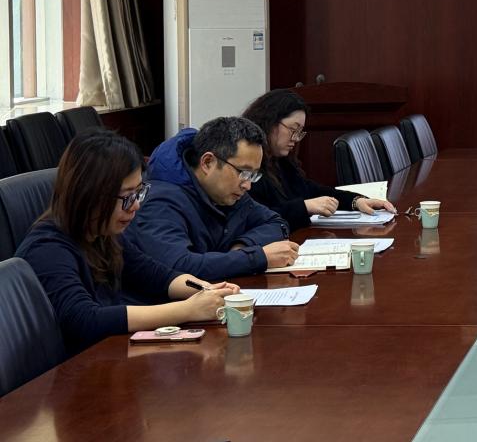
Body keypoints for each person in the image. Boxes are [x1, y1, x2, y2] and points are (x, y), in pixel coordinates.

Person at [16, 131, 239, 356]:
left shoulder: (101, 232)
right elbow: (84, 320)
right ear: (90, 195)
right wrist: (187, 310)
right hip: (74, 366)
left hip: (105, 355)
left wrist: (208, 291)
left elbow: (154, 275)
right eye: (127, 197)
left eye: (139, 193)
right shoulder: (47, 248)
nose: (135, 206)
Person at [127, 116, 298, 281]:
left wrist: (242, 247)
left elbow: (276, 223)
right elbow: (179, 267)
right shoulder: (161, 202)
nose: (247, 185)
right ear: (207, 162)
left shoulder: (229, 193)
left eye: (253, 175)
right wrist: (255, 258)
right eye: (243, 172)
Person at [242, 89, 396, 231]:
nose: (295, 138)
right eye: (293, 130)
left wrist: (356, 201)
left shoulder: (280, 161)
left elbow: (312, 190)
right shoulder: (248, 166)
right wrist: (305, 207)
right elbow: (256, 218)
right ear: (269, 123)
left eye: (300, 132)